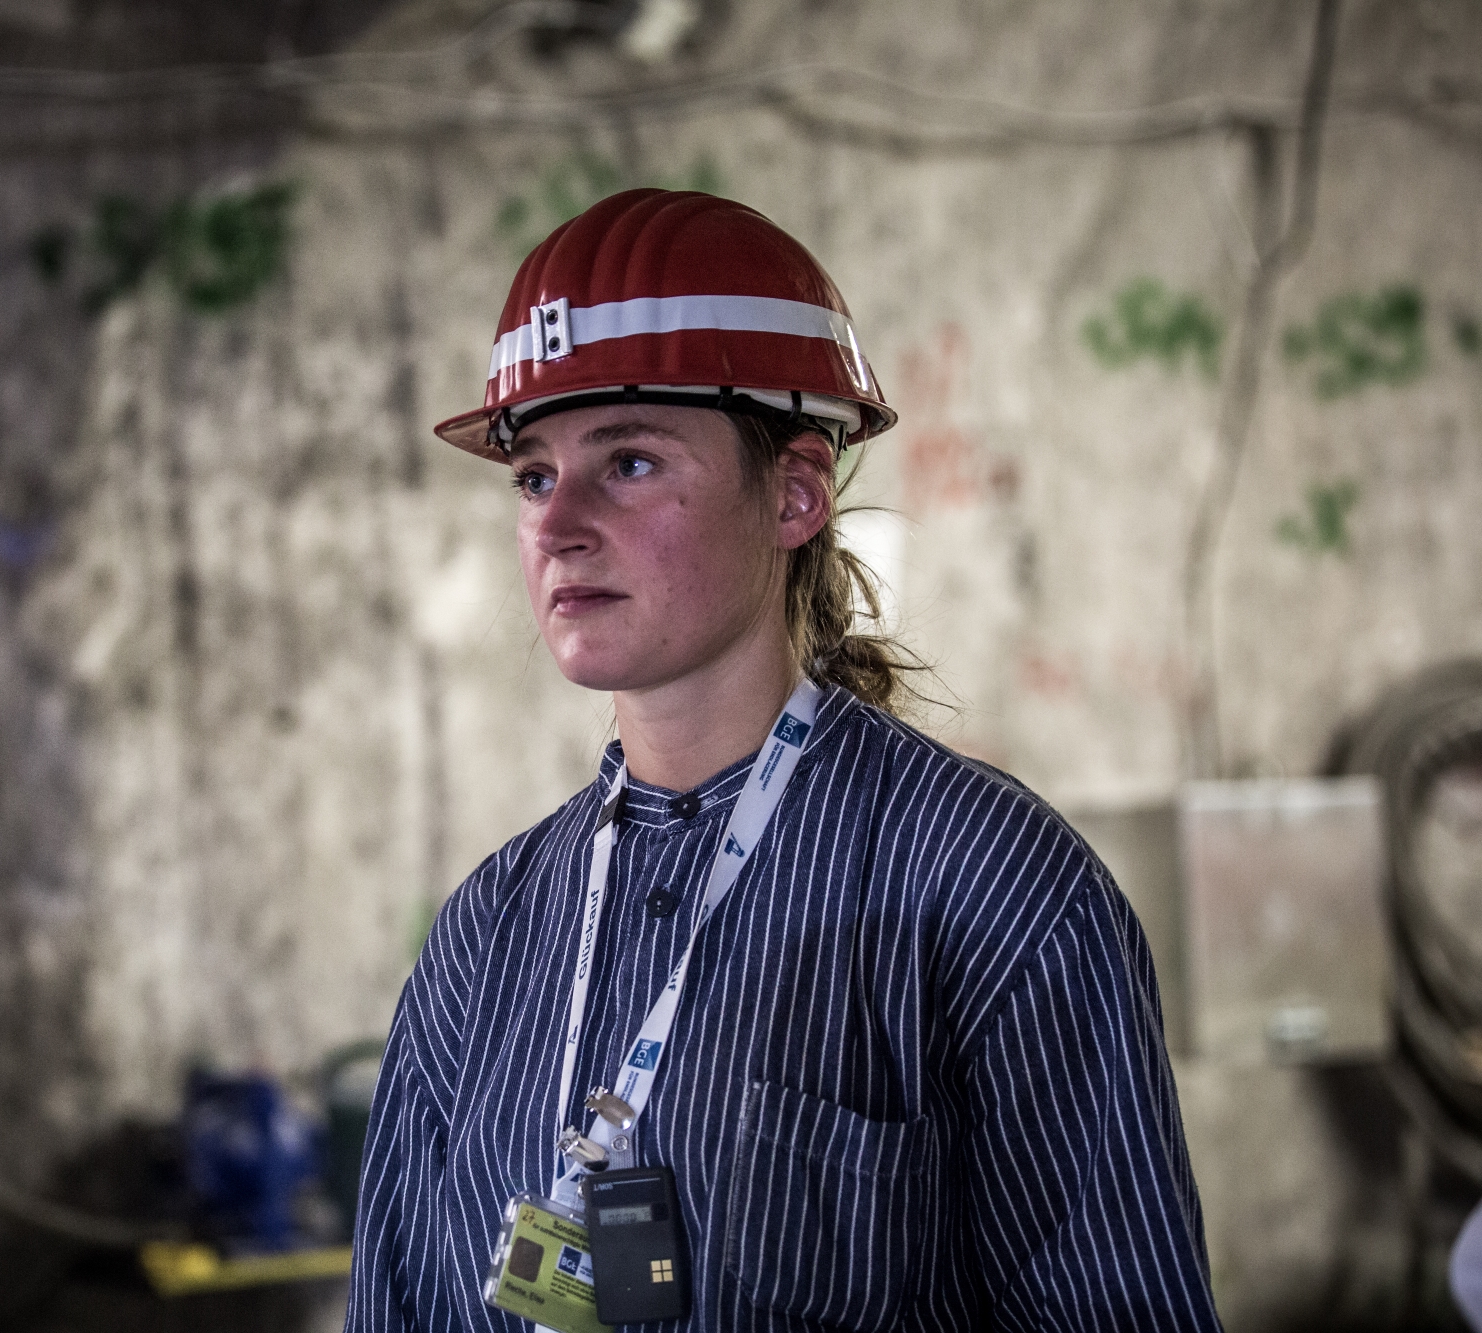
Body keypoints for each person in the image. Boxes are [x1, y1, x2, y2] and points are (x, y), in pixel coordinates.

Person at [345, 189, 1218, 1331]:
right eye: (531, 475)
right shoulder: (486, 933)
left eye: (630, 463)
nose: (556, 525)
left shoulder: (993, 890)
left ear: (796, 492)